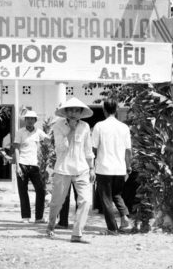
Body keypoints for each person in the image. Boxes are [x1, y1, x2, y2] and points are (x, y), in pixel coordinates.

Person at [46, 98, 95, 244]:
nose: (73, 113)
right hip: (63, 169)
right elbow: (60, 148)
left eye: (76, 110)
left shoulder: (85, 127)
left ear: (81, 113)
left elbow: (88, 149)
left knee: (85, 200)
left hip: (82, 169)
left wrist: (92, 167)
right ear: (66, 112)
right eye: (70, 110)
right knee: (57, 202)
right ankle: (51, 224)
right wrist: (71, 130)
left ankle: (77, 234)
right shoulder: (58, 126)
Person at [91, 100, 133, 235]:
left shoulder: (99, 126)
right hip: (120, 168)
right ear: (116, 110)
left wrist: (92, 164)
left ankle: (112, 228)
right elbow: (128, 151)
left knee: (106, 198)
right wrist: (128, 166)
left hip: (104, 168)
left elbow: (94, 148)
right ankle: (124, 216)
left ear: (104, 110)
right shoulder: (124, 127)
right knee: (116, 194)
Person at [13, 110, 50, 223]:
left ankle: (39, 217)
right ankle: (26, 217)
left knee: (40, 190)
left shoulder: (39, 132)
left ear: (35, 120)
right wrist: (17, 166)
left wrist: (51, 134)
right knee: (23, 191)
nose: (30, 120)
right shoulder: (20, 132)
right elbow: (16, 148)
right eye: (28, 118)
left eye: (32, 118)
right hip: (22, 164)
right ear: (25, 120)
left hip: (34, 165)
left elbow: (47, 141)